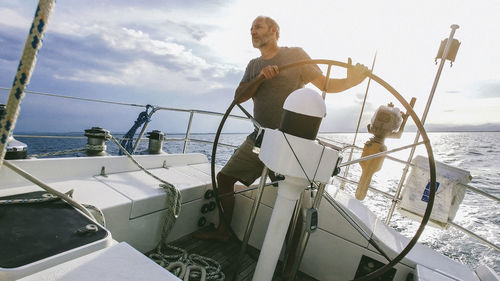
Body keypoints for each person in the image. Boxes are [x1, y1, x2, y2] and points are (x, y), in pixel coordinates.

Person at [195, 14, 368, 272]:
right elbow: (239, 96)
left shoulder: (296, 55)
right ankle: (223, 231)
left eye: (258, 27)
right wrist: (261, 77)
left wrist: (353, 80)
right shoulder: (254, 65)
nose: (252, 31)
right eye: (251, 28)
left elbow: (326, 84)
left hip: (290, 145)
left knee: (293, 201)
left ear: (274, 31)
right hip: (259, 138)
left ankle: (289, 263)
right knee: (224, 179)